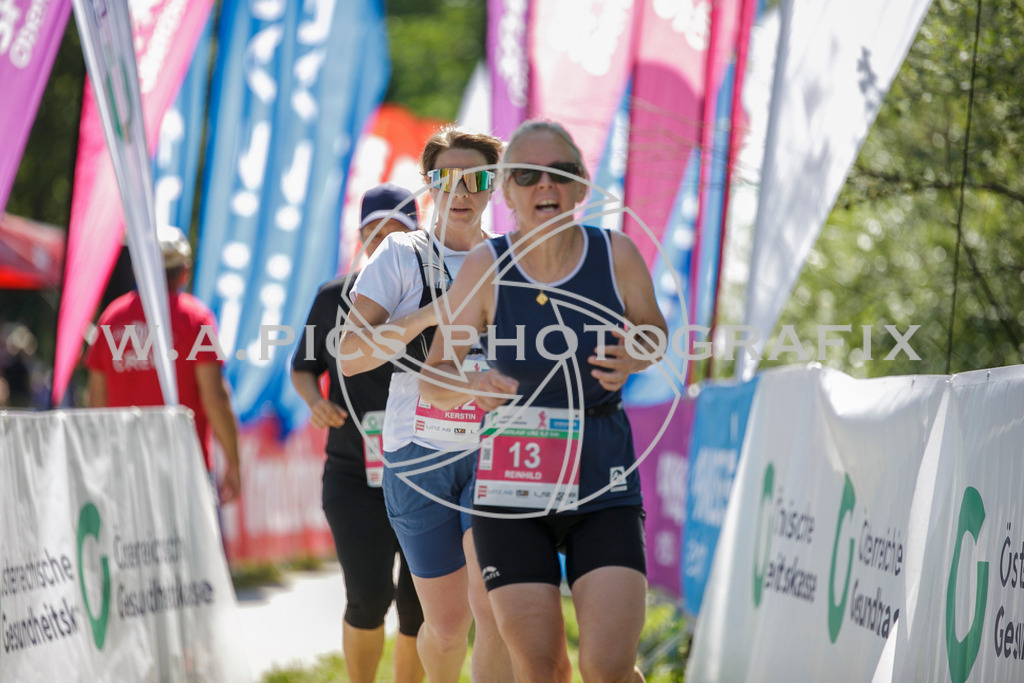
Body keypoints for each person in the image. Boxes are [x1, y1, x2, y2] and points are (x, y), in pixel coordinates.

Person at [419, 119, 668, 683]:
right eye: (526, 176)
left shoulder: (615, 254)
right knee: (538, 667)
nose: (544, 187)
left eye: (560, 173)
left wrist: (638, 352)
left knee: (607, 668)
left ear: (582, 187)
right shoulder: (487, 268)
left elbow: (654, 329)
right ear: (506, 193)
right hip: (510, 487)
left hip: (601, 476)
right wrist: (469, 384)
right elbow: (434, 374)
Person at [339, 127, 513, 683]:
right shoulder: (403, 254)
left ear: (496, 186)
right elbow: (348, 356)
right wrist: (426, 315)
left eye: (477, 179)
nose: (461, 191)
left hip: (497, 454)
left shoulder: (513, 260)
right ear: (429, 186)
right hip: (420, 457)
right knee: (446, 625)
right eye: (446, 178)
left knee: (494, 611)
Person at [291, 183, 425, 683]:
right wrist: (315, 401)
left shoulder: (440, 295)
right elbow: (303, 366)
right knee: (368, 597)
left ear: (417, 236)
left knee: (420, 608)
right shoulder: (333, 298)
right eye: (375, 232)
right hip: (353, 473)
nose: (386, 244)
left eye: (398, 233)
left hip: (426, 474)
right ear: (362, 236)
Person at [86, 226, 241, 505]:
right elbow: (215, 396)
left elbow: (97, 401)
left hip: (125, 467)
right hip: (184, 465)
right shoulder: (195, 318)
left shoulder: (112, 317)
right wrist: (233, 462)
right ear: (185, 272)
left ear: (138, 270)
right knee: (192, 549)